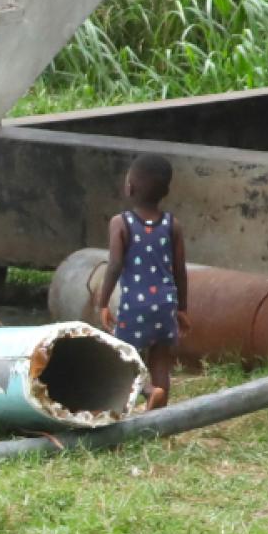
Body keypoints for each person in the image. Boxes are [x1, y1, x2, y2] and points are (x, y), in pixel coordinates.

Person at [92, 155, 188, 409]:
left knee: (125, 357)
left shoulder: (121, 223)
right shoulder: (172, 225)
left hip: (136, 305)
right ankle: (160, 413)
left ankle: (147, 391)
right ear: (165, 191)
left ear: (129, 187)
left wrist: (103, 303)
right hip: (166, 303)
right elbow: (180, 271)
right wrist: (182, 308)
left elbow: (114, 265)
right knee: (160, 360)